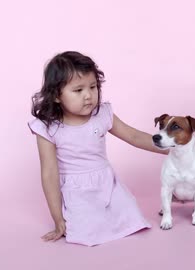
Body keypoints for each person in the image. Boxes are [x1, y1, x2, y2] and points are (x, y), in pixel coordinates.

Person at [28, 51, 166, 246]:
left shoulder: (101, 114)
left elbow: (133, 136)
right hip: (77, 189)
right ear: (57, 96)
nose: (88, 96)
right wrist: (58, 219)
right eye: (78, 90)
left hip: (107, 183)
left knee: (129, 213)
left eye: (93, 87)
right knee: (84, 227)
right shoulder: (49, 128)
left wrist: (170, 147)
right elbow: (49, 173)